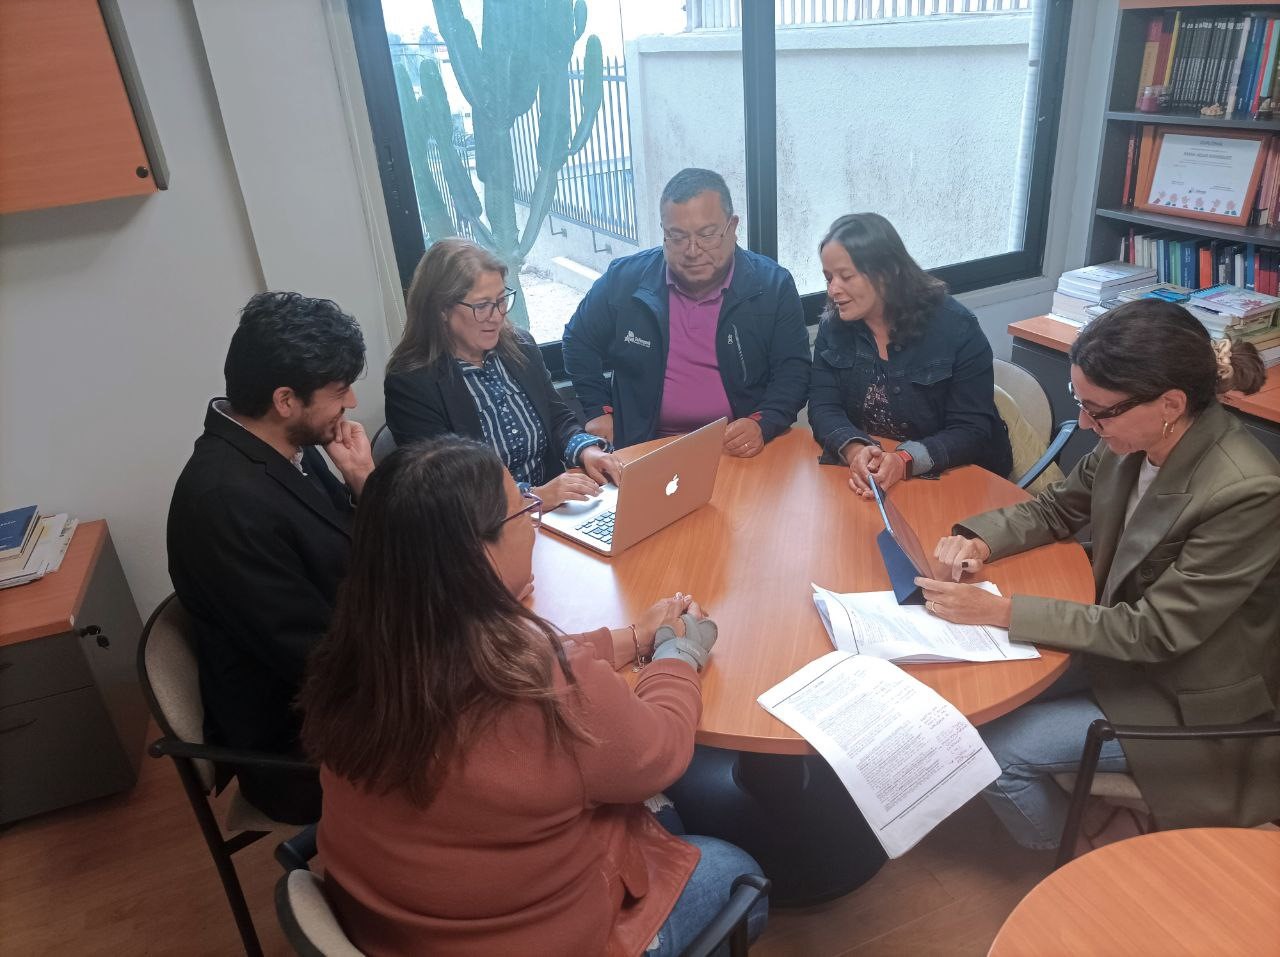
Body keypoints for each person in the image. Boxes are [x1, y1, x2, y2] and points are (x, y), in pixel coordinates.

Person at [300, 437, 767, 956]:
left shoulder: (366, 649)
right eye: (524, 509)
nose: (535, 517)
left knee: (659, 819)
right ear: (479, 554)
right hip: (535, 940)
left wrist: (632, 638)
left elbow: (524, 659)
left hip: (399, 927)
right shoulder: (547, 690)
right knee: (735, 871)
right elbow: (660, 753)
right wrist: (679, 656)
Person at [918, 300, 1280, 849]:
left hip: (1178, 692)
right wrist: (978, 540)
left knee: (992, 753)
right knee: (969, 691)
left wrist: (1003, 611)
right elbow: (1055, 508)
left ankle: (1085, 865)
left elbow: (1154, 632)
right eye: (1078, 402)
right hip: (1115, 650)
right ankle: (1097, 818)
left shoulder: (1244, 491)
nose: (1085, 423)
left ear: (1171, 403)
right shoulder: (1131, 440)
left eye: (1098, 410)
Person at [167, 291, 372, 824]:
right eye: (339, 390)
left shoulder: (283, 448)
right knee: (495, 727)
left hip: (350, 673)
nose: (350, 403)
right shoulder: (225, 503)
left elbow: (341, 554)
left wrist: (363, 485)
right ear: (285, 399)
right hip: (302, 745)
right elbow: (313, 656)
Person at [562, 167, 810, 455]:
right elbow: (578, 340)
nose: (692, 251)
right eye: (677, 237)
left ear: (732, 227)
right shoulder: (625, 279)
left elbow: (794, 372)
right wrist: (598, 410)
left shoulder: (772, 286)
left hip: (737, 448)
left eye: (707, 235)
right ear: (664, 233)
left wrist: (761, 423)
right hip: (647, 446)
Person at [385, 239, 623, 510]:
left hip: (555, 510)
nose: (497, 316)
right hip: (484, 525)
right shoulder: (411, 383)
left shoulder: (520, 345)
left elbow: (557, 418)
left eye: (501, 301)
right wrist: (534, 497)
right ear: (441, 309)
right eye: (482, 305)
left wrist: (586, 450)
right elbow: (445, 487)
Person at [808, 212, 1012, 495]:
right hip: (876, 479)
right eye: (828, 278)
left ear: (887, 272)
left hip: (953, 476)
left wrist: (904, 460)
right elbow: (823, 406)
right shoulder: (834, 327)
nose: (833, 290)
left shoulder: (956, 327)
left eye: (846, 276)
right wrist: (856, 451)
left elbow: (971, 430)